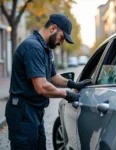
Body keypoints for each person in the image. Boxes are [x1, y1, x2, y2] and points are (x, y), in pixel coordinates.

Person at [5, 13, 91, 150]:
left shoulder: (46, 49)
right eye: (62, 37)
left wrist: (72, 84)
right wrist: (67, 94)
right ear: (53, 28)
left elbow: (52, 77)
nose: (61, 42)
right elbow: (42, 87)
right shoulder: (33, 47)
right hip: (23, 111)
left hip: (35, 111)